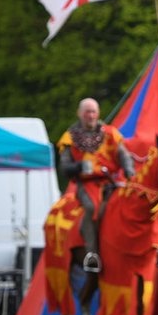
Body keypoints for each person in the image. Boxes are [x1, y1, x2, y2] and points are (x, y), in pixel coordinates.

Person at [56, 98, 135, 272]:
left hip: (111, 182)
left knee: (129, 205)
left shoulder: (110, 133)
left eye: (93, 112)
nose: (90, 116)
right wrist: (79, 166)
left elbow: (124, 155)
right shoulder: (69, 138)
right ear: (80, 114)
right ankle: (92, 254)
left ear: (98, 113)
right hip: (87, 185)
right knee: (92, 209)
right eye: (87, 112)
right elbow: (65, 167)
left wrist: (129, 171)